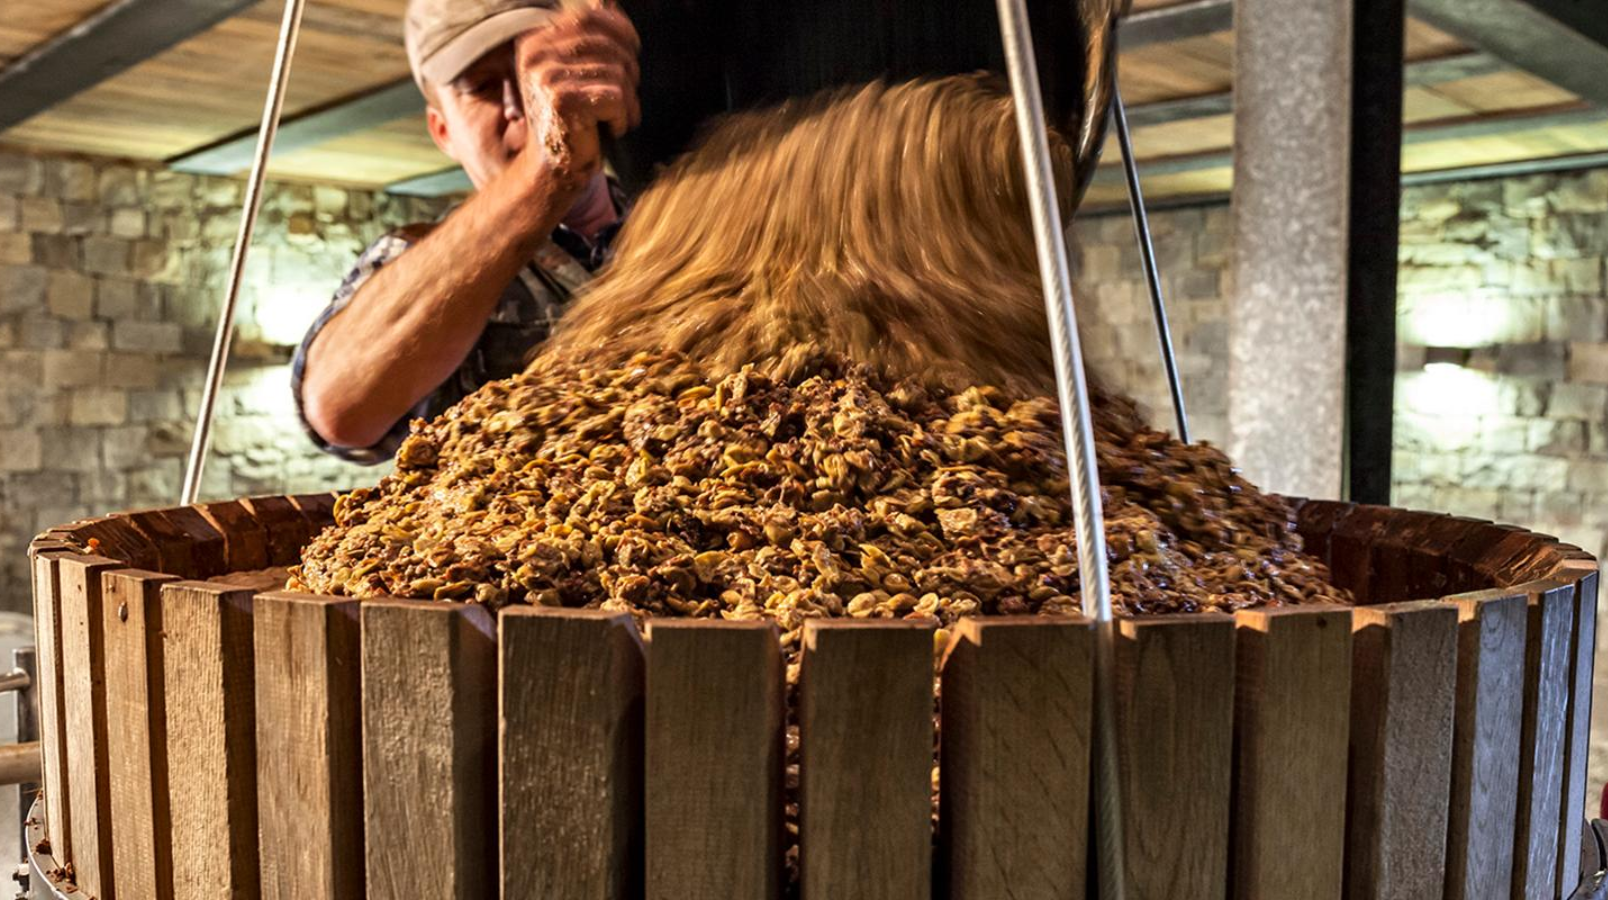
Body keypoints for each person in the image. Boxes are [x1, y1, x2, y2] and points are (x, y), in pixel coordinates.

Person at [293, 0, 641, 462]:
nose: (522, 102)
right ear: (443, 132)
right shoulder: (417, 259)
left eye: (535, 67)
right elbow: (339, 410)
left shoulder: (692, 229)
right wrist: (548, 173)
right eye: (481, 87)